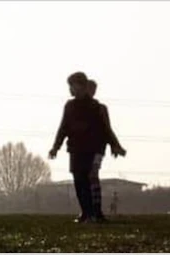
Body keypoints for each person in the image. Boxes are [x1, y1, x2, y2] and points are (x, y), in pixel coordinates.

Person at [48, 73, 126, 223]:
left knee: (90, 179)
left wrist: (114, 145)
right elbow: (63, 127)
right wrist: (55, 147)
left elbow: (105, 129)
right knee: (78, 180)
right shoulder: (69, 106)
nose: (70, 89)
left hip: (92, 149)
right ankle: (85, 212)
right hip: (75, 149)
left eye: (72, 86)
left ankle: (94, 213)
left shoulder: (95, 107)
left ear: (81, 86)